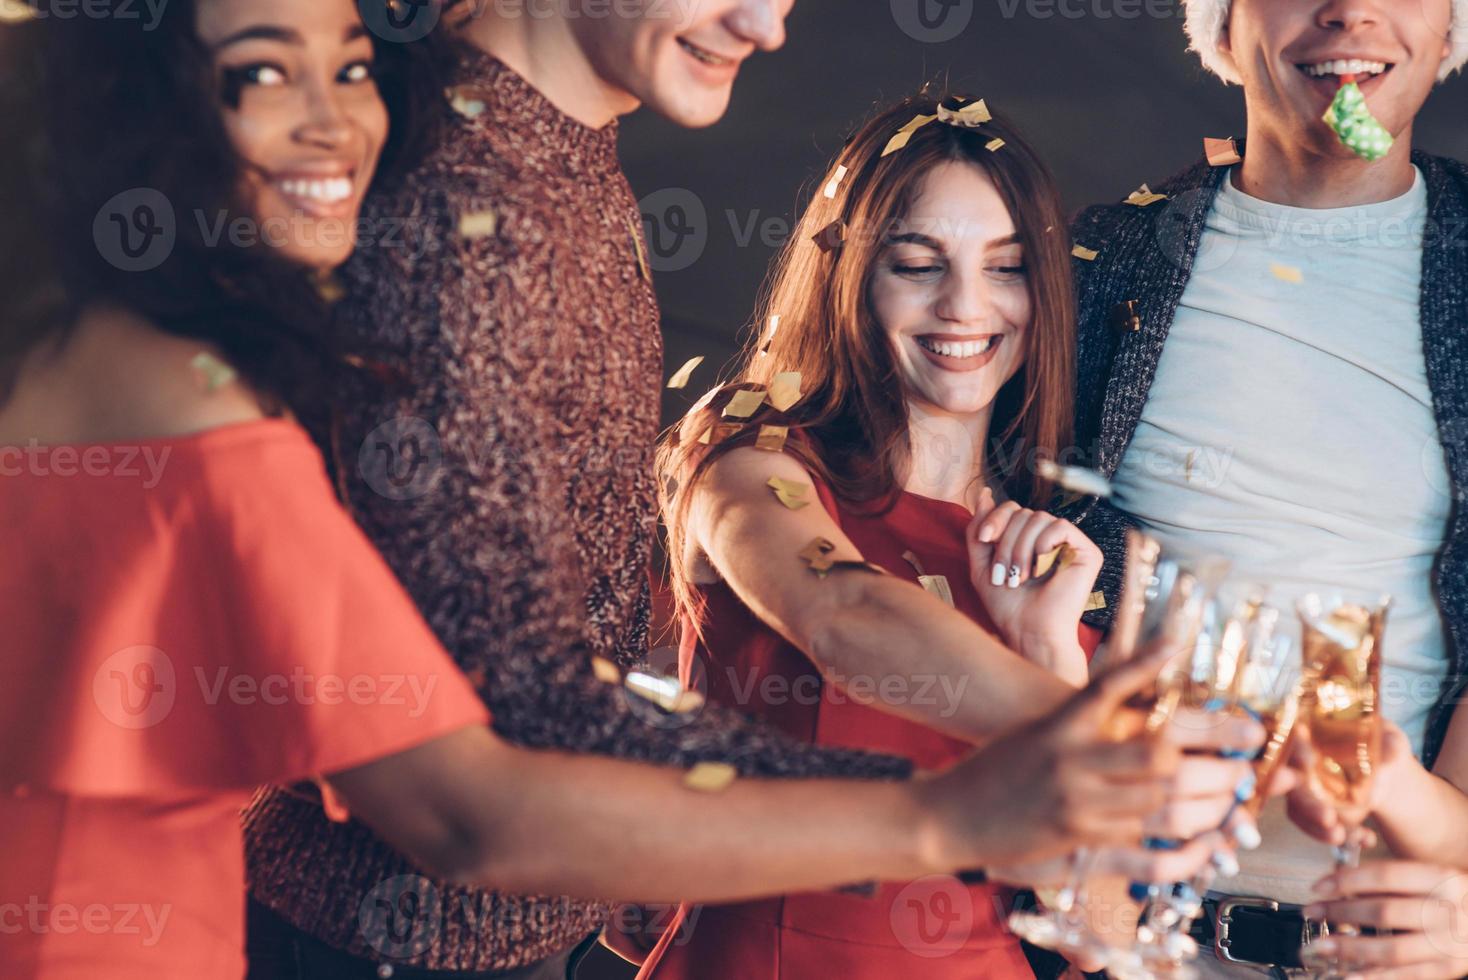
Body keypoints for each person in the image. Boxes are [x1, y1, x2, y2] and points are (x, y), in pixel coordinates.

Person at [0, 3, 1225, 978]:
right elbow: (481, 776)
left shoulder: (549, 175)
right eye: (266, 71)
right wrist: (956, 805)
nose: (767, 23)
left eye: (355, 65)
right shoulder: (458, 230)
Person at [640, 94, 1266, 979]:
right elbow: (843, 615)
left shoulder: (1053, 561)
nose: (966, 306)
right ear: (852, 278)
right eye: (917, 264)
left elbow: (1102, 934)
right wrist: (1116, 744)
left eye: (1005, 267)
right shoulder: (747, 455)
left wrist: (1049, 644)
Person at [1064, 0, 1468, 973]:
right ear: (1221, 29)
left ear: (1450, 30)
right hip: (1124, 939)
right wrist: (728, 468)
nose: (1349, 11)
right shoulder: (1098, 263)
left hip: (1393, 941)